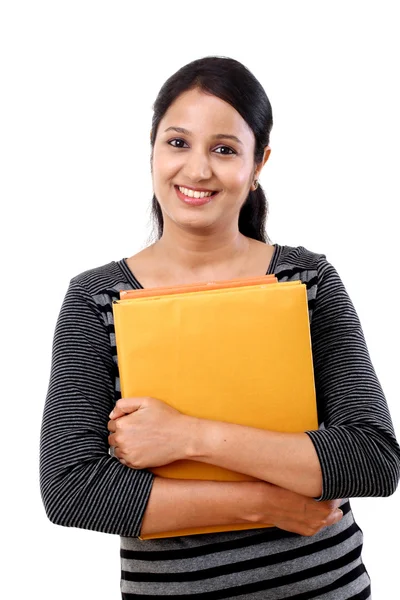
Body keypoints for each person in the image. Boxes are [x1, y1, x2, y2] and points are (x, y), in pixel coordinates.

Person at [40, 56, 400, 599]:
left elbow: (371, 460)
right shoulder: (96, 299)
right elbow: (73, 490)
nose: (198, 170)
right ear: (153, 150)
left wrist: (187, 436)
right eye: (178, 143)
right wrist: (263, 501)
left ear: (259, 164)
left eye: (225, 149)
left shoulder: (307, 280)